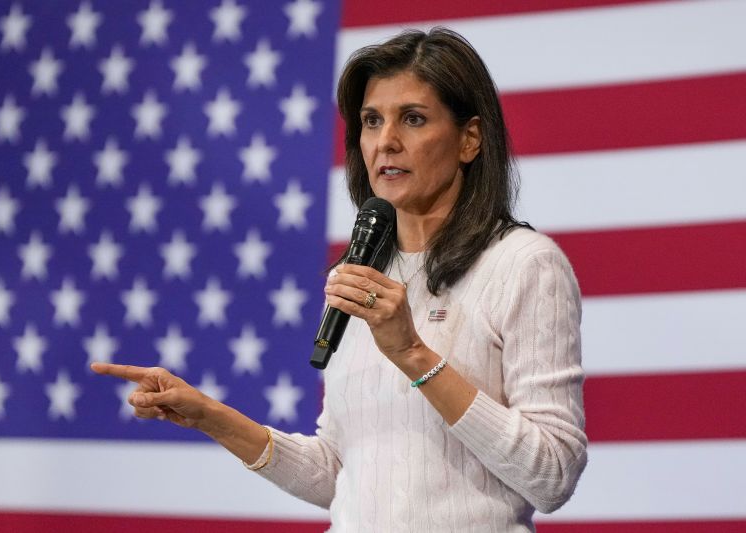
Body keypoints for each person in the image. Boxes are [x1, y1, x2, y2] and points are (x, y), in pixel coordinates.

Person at [92, 28, 587, 531]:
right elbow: (342, 473)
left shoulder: (524, 265)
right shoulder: (358, 273)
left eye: (413, 119)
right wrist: (209, 416)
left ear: (469, 139)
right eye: (372, 121)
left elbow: (552, 476)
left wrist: (412, 353)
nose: (386, 142)